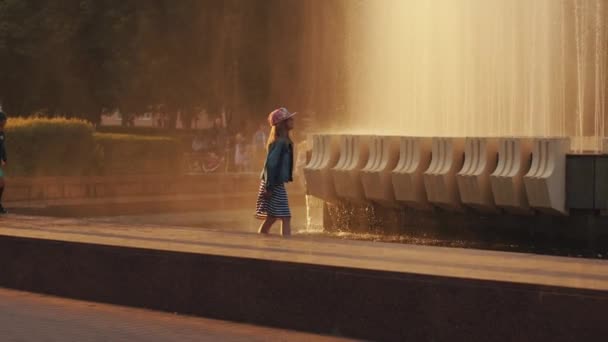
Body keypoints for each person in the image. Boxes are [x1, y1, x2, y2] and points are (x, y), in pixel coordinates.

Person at [255, 107, 296, 236]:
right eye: (289, 119)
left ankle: (262, 237)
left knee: (272, 217)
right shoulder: (281, 143)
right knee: (285, 217)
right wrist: (269, 186)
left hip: (272, 182)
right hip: (272, 183)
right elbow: (271, 165)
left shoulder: (283, 141)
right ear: (282, 124)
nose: (293, 120)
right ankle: (286, 244)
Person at [0, 111, 8, 214]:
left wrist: (4, 158)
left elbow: (2, 147)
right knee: (1, 182)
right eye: (3, 121)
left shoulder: (2, 133)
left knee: (2, 183)